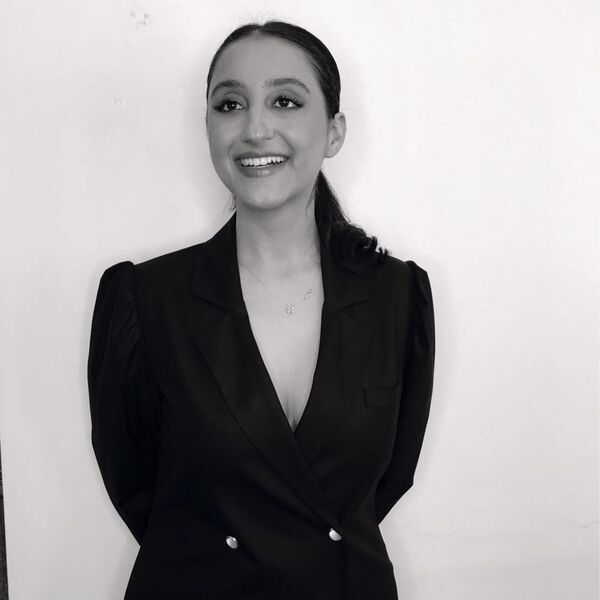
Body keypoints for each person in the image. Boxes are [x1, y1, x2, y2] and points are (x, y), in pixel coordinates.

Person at [87, 19, 436, 600]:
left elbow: (390, 477)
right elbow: (135, 483)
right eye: (230, 104)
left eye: (285, 101)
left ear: (334, 132)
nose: (254, 129)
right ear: (208, 127)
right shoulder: (144, 300)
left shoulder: (397, 295)